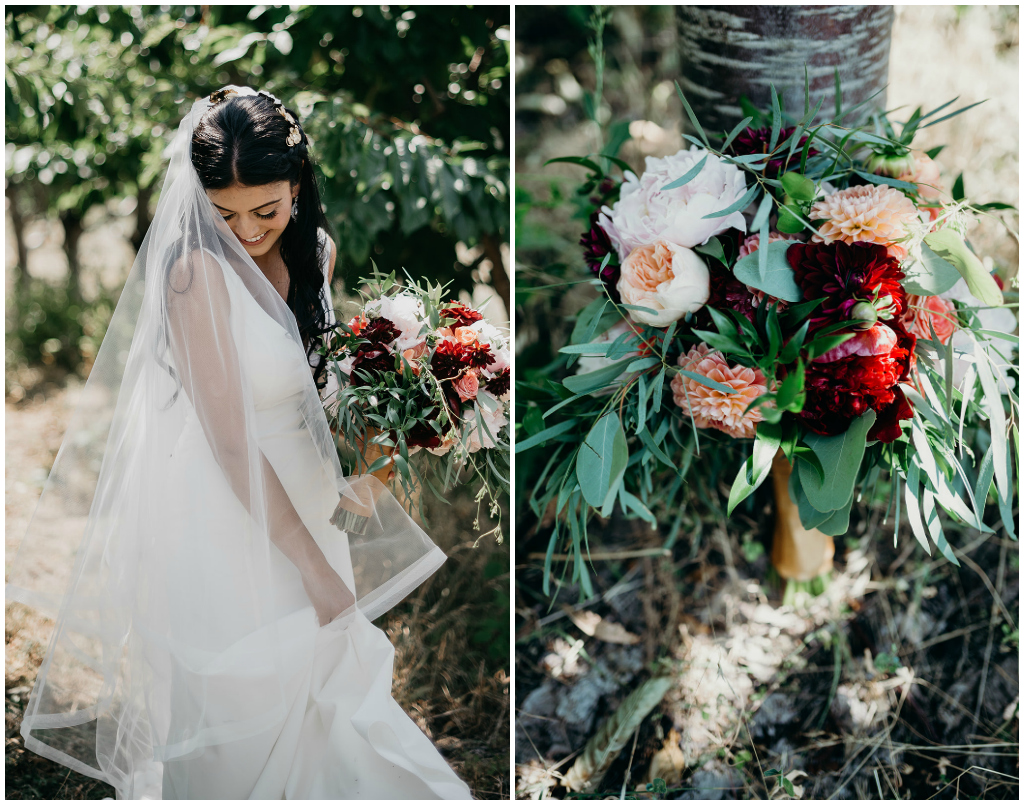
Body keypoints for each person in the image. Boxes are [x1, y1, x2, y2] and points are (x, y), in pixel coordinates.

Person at [6, 86, 473, 800]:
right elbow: (229, 444)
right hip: (226, 509)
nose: (247, 230)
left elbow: (320, 387)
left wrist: (407, 410)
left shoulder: (316, 249)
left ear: (297, 186)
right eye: (222, 213)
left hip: (309, 490)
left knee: (327, 696)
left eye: (266, 208)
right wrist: (314, 569)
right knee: (247, 706)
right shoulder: (195, 275)